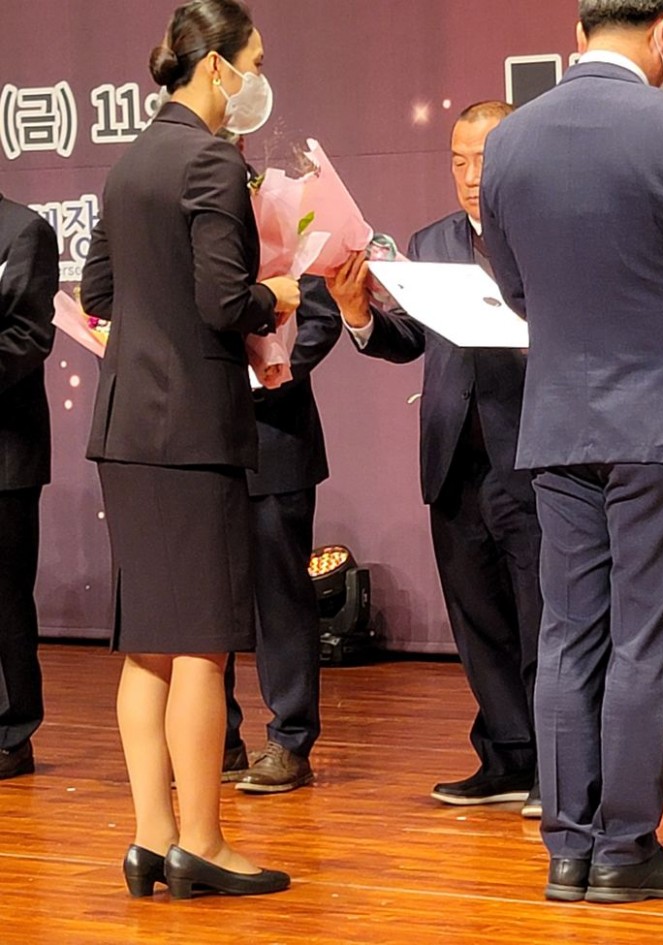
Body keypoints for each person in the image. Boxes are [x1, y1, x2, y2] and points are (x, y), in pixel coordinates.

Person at [479, 0, 663, 904]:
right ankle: (626, 847)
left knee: (568, 635)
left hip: (558, 417)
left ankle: (568, 850)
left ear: (580, 34)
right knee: (646, 637)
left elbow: (514, 284)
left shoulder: (509, 139)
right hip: (660, 420)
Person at [80, 0, 297, 898]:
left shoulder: (129, 161)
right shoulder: (210, 159)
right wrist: (278, 294)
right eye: (255, 62)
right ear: (217, 68)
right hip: (192, 432)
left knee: (148, 646)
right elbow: (223, 300)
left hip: (127, 427)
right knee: (204, 642)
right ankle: (202, 841)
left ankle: (151, 837)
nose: (258, 81)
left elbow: (97, 290)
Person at [328, 101, 544, 818]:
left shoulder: (551, 232)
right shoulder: (432, 241)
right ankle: (506, 756)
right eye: (458, 161)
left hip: (535, 457)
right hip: (455, 460)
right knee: (478, 619)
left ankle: (557, 765)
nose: (471, 175)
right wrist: (359, 315)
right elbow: (410, 340)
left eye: (485, 159)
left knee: (544, 618)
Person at [223, 275, 341, 794]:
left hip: (274, 437)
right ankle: (217, 738)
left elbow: (320, 319)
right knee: (206, 600)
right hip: (200, 442)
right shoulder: (190, 237)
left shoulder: (291, 237)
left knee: (281, 599)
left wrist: (265, 375)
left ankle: (290, 741)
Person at [0, 194, 58, 781]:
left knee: (4, 596)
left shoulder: (23, 230)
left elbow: (28, 336)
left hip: (5, 451)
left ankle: (11, 732)